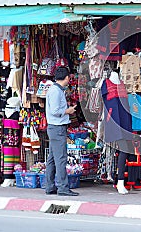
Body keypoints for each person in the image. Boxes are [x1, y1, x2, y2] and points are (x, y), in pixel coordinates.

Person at [45, 66, 78, 196]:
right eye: (69, 77)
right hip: (57, 127)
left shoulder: (56, 90)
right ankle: (63, 187)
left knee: (53, 159)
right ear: (66, 78)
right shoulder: (55, 91)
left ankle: (50, 186)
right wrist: (67, 111)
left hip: (55, 128)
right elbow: (55, 111)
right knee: (61, 159)